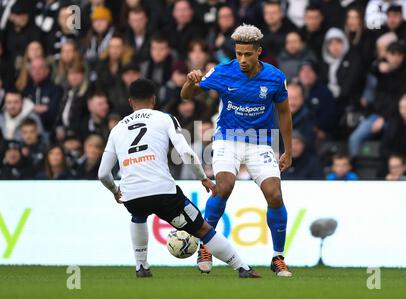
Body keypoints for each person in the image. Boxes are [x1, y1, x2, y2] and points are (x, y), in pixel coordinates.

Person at [98, 79, 260, 278]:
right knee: (203, 229)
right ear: (154, 99)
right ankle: (242, 268)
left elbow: (102, 173)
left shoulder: (117, 129)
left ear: (131, 102)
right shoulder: (164, 118)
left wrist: (115, 190)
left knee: (138, 216)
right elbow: (187, 153)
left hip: (131, 194)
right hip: (163, 192)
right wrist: (203, 178)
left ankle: (141, 267)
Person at [181, 24, 293, 277]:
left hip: (261, 141)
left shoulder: (275, 77)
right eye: (239, 53)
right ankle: (206, 246)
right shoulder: (222, 72)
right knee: (224, 186)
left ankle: (277, 257)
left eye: (248, 54)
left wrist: (288, 149)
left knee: (274, 195)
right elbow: (186, 96)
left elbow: (285, 113)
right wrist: (190, 81)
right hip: (227, 139)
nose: (242, 59)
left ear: (259, 52)